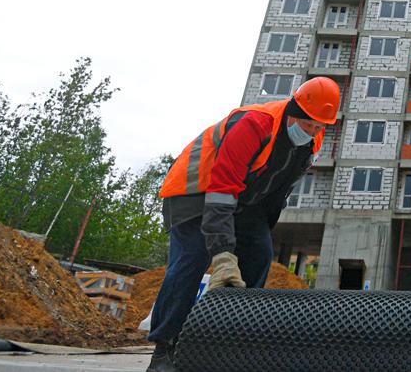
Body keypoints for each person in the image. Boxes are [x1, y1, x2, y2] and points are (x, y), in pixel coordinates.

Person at [144, 77, 340, 372]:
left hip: (245, 203)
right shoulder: (255, 124)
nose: (312, 130)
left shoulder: (313, 139)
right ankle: (165, 348)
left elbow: (277, 190)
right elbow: (222, 190)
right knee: (194, 256)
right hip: (194, 192)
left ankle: (227, 342)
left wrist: (258, 233)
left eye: (318, 126)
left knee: (259, 255)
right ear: (293, 108)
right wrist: (223, 255)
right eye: (307, 123)